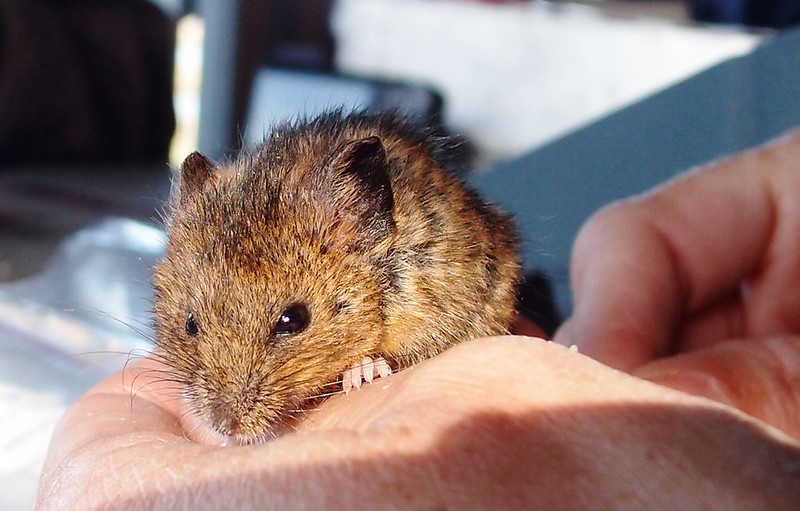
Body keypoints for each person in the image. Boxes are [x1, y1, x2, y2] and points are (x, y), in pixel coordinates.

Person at [36, 129, 800, 509]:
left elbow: (477, 272)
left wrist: (390, 361)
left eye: (290, 322)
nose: (228, 393)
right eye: (193, 330)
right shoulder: (212, 228)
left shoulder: (417, 265)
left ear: (366, 233)